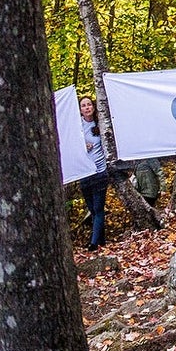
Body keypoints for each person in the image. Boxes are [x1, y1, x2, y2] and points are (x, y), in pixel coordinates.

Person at [79, 94, 110, 250]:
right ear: (80, 110)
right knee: (92, 210)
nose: (87, 108)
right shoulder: (77, 127)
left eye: (89, 104)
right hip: (84, 173)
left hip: (100, 172)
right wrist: (82, 145)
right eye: (84, 106)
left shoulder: (101, 123)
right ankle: (101, 242)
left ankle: (93, 244)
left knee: (98, 209)